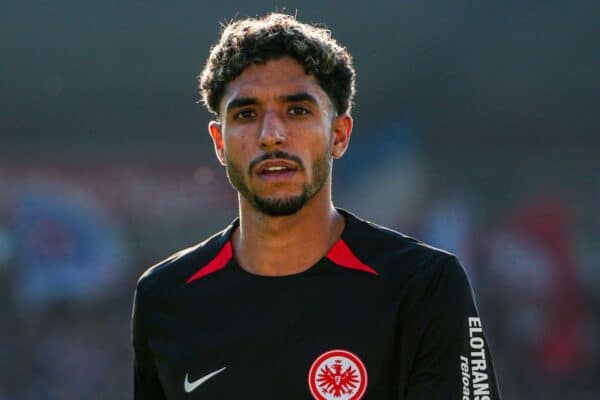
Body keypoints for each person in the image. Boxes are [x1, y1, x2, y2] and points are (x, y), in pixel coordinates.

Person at [132, 13, 501, 400]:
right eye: (246, 114)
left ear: (339, 135)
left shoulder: (425, 286)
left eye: (297, 111)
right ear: (220, 143)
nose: (271, 135)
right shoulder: (164, 296)